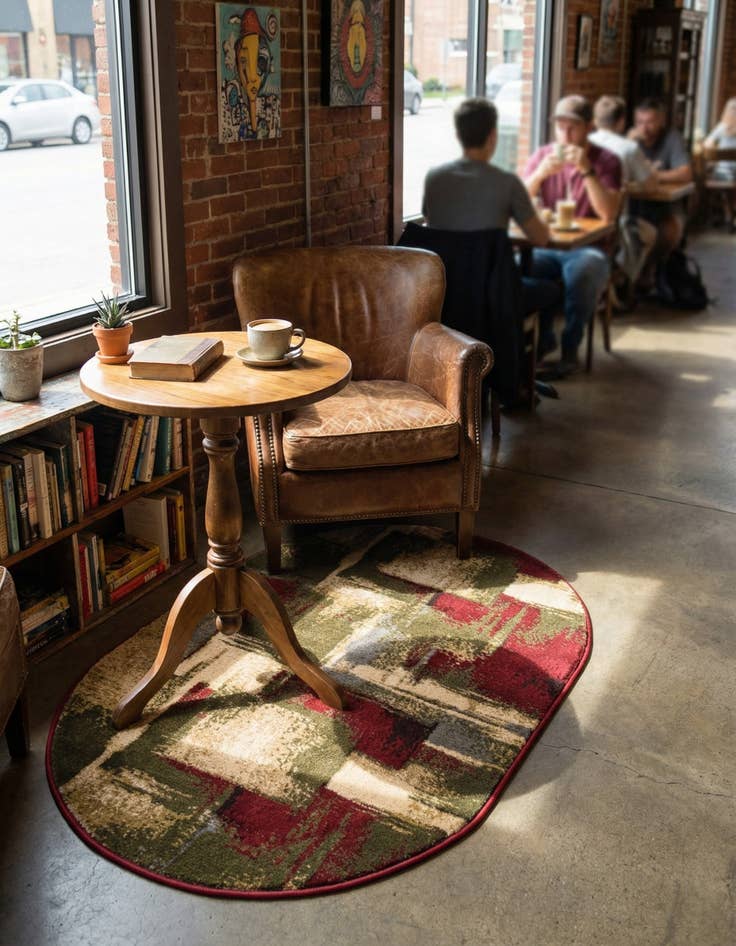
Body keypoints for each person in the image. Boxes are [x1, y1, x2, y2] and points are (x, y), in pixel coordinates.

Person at [420, 97, 561, 402]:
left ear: (458, 135)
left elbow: (432, 223)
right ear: (493, 136)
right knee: (551, 289)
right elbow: (540, 239)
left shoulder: (434, 177)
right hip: (495, 299)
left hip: (445, 296)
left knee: (521, 285)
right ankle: (521, 376)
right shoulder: (507, 182)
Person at [523, 95, 622, 372]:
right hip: (546, 245)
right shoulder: (543, 156)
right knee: (518, 267)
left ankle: (570, 349)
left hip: (590, 247)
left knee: (583, 271)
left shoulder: (607, 160)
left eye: (573, 128)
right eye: (560, 127)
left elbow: (608, 214)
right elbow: (517, 204)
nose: (565, 135)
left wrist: (587, 170)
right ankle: (540, 341)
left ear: (589, 127)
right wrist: (539, 175)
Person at [589, 95, 658, 303]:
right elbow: (651, 185)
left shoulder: (585, 143)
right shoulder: (628, 147)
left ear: (594, 121)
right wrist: (628, 186)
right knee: (650, 233)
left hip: (584, 219)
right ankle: (623, 281)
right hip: (614, 223)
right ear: (621, 122)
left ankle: (616, 279)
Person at [627, 98, 692, 277]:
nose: (644, 128)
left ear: (661, 121)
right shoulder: (630, 140)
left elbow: (686, 173)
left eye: (650, 122)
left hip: (666, 206)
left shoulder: (672, 138)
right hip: (634, 204)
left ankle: (650, 268)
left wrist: (654, 176)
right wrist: (627, 144)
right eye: (640, 122)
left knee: (669, 230)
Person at [704, 98, 736, 228]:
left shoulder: (721, 127)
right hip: (727, 174)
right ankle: (731, 214)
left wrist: (715, 149)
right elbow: (708, 143)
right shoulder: (722, 127)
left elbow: (707, 144)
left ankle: (728, 214)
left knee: (725, 187)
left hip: (723, 174)